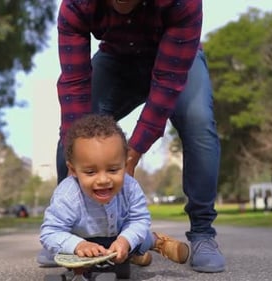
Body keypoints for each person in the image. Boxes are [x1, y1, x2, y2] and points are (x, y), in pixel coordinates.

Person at [52, 0, 225, 273]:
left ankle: (203, 232)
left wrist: (133, 152)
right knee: (75, 138)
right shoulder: (77, 5)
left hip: (178, 59)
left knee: (198, 120)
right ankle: (67, 235)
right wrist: (78, 156)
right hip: (116, 61)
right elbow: (75, 85)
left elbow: (167, 82)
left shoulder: (183, 3)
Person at [38, 114, 189, 267]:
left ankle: (156, 242)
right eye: (90, 172)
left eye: (113, 169)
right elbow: (50, 232)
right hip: (85, 242)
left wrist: (125, 241)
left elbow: (139, 220)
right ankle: (133, 257)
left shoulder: (130, 187)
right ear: (73, 170)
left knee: (140, 237)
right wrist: (78, 245)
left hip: (121, 235)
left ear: (125, 164)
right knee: (63, 249)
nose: (103, 180)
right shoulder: (67, 196)